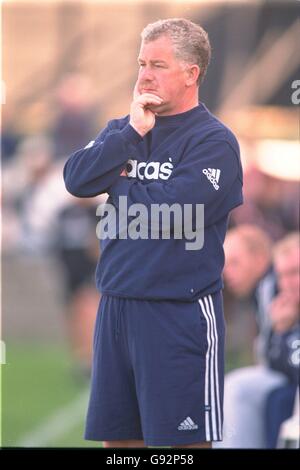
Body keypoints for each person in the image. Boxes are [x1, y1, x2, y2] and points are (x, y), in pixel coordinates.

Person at [63, 18, 243, 448]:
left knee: (180, 448)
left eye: (158, 65)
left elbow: (178, 212)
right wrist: (130, 135)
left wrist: (118, 185)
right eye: (142, 63)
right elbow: (76, 179)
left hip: (177, 313)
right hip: (117, 308)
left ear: (191, 73)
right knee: (119, 446)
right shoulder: (124, 129)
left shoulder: (213, 141)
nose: (144, 74)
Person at [218, 229, 299, 448]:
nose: (227, 274)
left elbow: (277, 361)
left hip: (287, 377)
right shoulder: (264, 291)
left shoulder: (273, 287)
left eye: (235, 263)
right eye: (225, 266)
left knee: (238, 390)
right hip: (285, 375)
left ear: (260, 258)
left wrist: (282, 335)